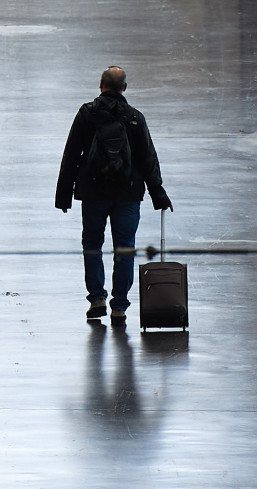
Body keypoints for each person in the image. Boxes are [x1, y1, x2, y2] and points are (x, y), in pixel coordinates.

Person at [56, 66, 173, 327]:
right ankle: (119, 306)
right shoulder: (134, 118)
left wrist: (64, 195)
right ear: (125, 88)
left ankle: (96, 298)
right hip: (128, 193)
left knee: (92, 244)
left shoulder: (87, 114)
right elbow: (147, 159)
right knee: (124, 248)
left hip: (93, 192)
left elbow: (72, 155)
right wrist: (159, 194)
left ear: (101, 86)